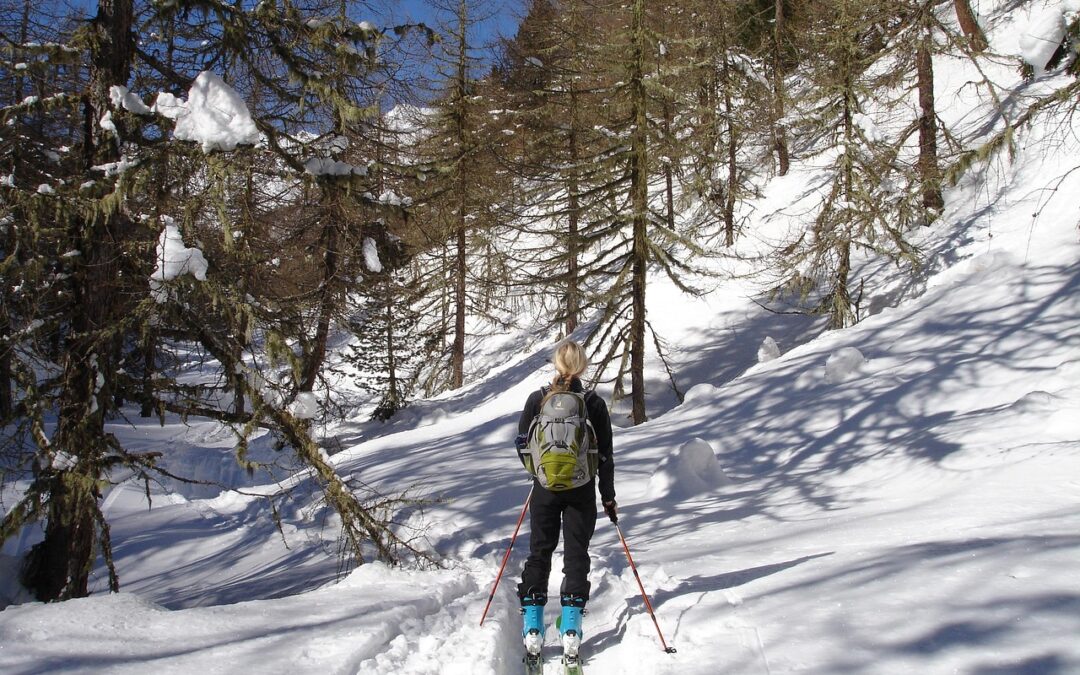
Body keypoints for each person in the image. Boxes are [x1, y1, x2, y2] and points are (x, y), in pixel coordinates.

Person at [515, 340, 616, 657]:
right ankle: (571, 627)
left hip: (544, 490)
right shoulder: (593, 403)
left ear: (556, 366)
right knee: (576, 555)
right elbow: (605, 456)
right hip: (581, 491)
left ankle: (533, 627)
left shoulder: (538, 399)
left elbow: (522, 443)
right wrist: (608, 498)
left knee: (539, 553)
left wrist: (537, 472)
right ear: (582, 367)